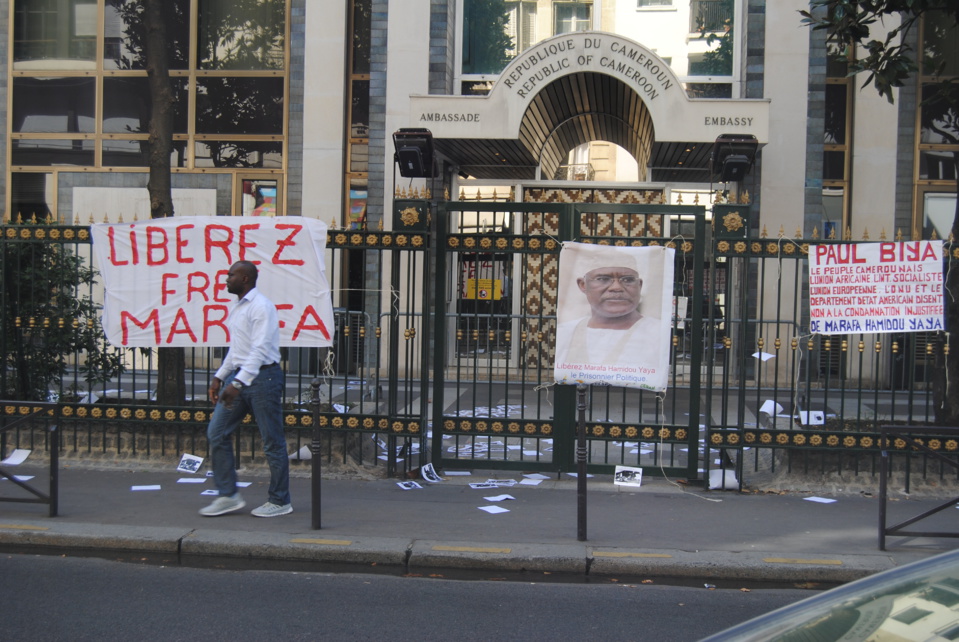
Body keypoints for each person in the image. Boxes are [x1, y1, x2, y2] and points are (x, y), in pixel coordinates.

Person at [200, 260, 292, 518]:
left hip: (264, 379)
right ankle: (228, 496)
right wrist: (220, 376)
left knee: (272, 442)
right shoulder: (239, 307)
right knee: (216, 432)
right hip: (241, 377)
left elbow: (260, 349)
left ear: (245, 279)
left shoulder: (262, 306)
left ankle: (280, 500)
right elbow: (238, 349)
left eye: (231, 275)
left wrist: (237, 383)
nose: (226, 279)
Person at [554, 253, 664, 372]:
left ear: (639, 285)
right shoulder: (565, 333)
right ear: (583, 285)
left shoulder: (660, 333)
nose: (616, 287)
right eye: (603, 279)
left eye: (628, 280)